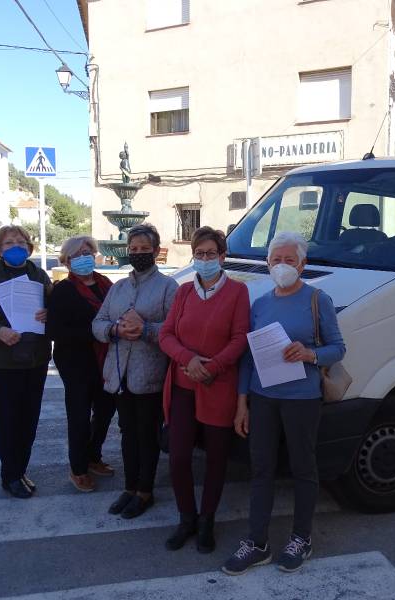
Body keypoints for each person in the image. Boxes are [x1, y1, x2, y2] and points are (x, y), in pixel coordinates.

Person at [222, 231, 346, 575]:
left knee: (303, 468)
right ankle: (257, 542)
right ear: (267, 263)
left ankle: (301, 539)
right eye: (276, 260)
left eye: (289, 260)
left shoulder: (317, 300)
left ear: (303, 265)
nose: (282, 266)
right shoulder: (260, 304)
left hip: (302, 400)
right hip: (263, 399)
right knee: (261, 469)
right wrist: (242, 403)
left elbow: (338, 347)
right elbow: (248, 359)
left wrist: (310, 353)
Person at [159, 227, 250, 553]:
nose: (206, 259)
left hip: (219, 385)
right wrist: (189, 359)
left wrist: (210, 367)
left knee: (216, 458)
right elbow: (166, 335)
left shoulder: (238, 292)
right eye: (200, 254)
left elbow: (240, 338)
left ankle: (208, 520)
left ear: (223, 256)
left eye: (212, 254)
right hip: (184, 384)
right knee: (179, 456)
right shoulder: (183, 293)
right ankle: (187, 518)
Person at [92, 223, 178, 519]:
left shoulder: (168, 287)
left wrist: (145, 330)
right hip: (119, 374)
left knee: (146, 433)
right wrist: (114, 329)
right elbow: (98, 322)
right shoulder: (118, 287)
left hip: (149, 373)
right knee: (126, 432)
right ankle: (129, 488)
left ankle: (145, 491)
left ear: (156, 251)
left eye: (144, 249)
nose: (138, 253)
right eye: (134, 249)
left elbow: (175, 329)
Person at [0, 225, 51, 499]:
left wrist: (49, 313)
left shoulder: (39, 275)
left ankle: (20, 469)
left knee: (30, 419)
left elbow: (55, 309)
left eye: (21, 242)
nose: (15, 247)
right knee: (9, 420)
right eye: (8, 243)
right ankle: (10, 475)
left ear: (29, 247)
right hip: (4, 362)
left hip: (36, 359)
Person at [47, 236, 116, 492]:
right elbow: (54, 330)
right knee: (79, 415)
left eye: (87, 252)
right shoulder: (63, 291)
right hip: (75, 362)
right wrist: (97, 332)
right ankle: (78, 469)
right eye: (76, 254)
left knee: (106, 410)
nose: (83, 257)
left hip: (105, 359)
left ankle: (93, 456)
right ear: (67, 262)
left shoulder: (106, 285)